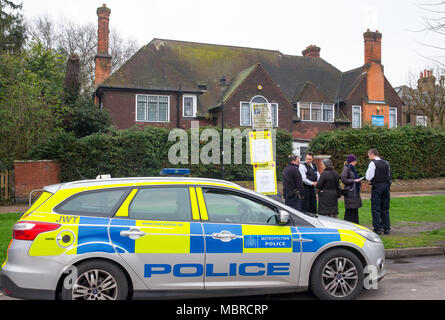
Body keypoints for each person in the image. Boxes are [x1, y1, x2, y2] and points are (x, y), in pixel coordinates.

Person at [366, 149, 392, 235]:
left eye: (369, 155)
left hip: (377, 186)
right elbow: (389, 175)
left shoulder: (373, 163)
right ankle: (386, 228)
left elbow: (368, 177)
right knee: (385, 208)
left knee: (376, 208)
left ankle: (377, 228)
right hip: (386, 186)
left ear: (372, 154)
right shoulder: (386, 163)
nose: (368, 157)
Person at [340, 154, 363, 224]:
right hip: (350, 191)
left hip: (354, 191)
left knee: (354, 209)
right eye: (355, 161)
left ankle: (355, 223)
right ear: (351, 161)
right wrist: (354, 180)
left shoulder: (352, 168)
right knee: (350, 209)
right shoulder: (346, 168)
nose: (356, 162)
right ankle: (348, 224)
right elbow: (343, 179)